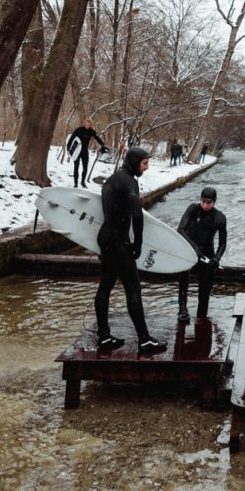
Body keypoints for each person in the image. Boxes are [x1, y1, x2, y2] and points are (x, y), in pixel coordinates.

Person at [94, 146, 167, 354]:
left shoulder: (112, 179)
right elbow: (137, 214)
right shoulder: (129, 181)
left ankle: (104, 337)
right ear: (135, 162)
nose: (146, 168)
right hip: (118, 242)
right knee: (133, 288)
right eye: (144, 163)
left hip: (106, 238)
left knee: (105, 287)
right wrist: (138, 243)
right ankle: (145, 341)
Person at [176, 185, 227, 322]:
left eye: (208, 203)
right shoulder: (193, 209)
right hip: (188, 250)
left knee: (204, 291)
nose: (204, 205)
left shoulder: (219, 218)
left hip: (207, 254)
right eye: (203, 201)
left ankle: (202, 316)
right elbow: (180, 229)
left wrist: (217, 258)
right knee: (183, 280)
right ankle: (182, 309)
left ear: (214, 202)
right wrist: (194, 247)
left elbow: (223, 242)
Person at [67, 118, 107, 188]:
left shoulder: (92, 131)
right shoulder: (79, 129)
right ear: (84, 123)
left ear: (91, 125)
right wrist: (68, 148)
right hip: (77, 151)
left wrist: (102, 144)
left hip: (85, 151)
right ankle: (75, 183)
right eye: (86, 124)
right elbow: (72, 138)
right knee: (76, 167)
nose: (87, 126)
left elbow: (97, 138)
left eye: (89, 125)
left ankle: (83, 182)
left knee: (85, 168)